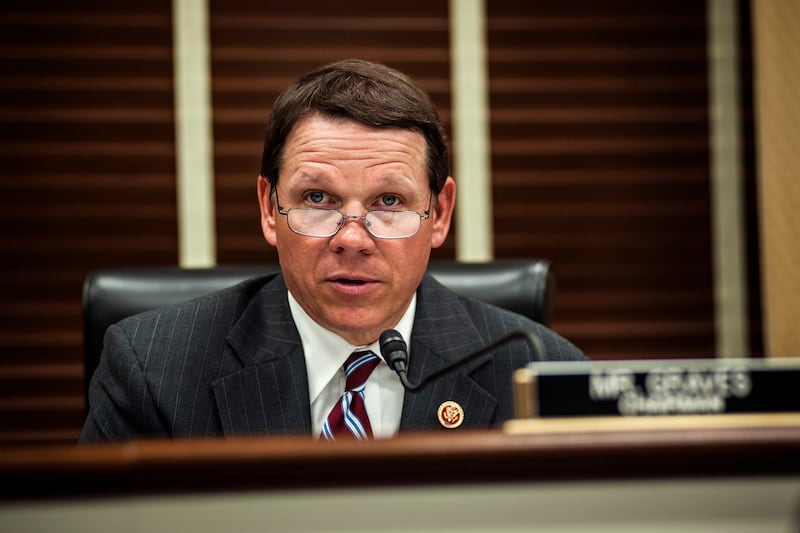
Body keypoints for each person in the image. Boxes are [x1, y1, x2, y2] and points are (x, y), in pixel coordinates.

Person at [80, 59, 585, 442]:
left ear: (441, 213)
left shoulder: (537, 373)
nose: (351, 238)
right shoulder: (151, 371)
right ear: (268, 207)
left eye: (389, 201)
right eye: (317, 199)